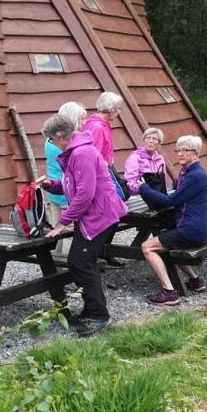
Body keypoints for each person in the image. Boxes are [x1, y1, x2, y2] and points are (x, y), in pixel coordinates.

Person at [37, 114, 128, 337]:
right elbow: (72, 187)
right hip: (92, 215)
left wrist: (63, 222)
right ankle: (91, 311)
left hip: (100, 215)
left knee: (81, 263)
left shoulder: (83, 153)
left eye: (50, 139)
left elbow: (85, 193)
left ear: (60, 137)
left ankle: (99, 315)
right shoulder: (75, 152)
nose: (50, 143)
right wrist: (51, 185)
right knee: (80, 262)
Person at [139, 135, 207, 305]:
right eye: (178, 150)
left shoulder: (196, 175)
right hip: (198, 227)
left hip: (192, 230)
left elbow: (171, 201)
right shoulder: (188, 172)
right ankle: (195, 280)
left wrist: (144, 188)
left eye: (184, 150)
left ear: (195, 153)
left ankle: (169, 292)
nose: (180, 153)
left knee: (147, 247)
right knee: (166, 240)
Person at [80, 91, 126, 265]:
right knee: (114, 209)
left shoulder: (101, 123)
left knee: (117, 208)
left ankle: (103, 249)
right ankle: (99, 250)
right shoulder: (97, 127)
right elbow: (94, 157)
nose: (119, 112)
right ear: (111, 109)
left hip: (107, 170)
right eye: (118, 109)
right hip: (101, 175)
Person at [44, 102, 88, 258]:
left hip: (53, 188)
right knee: (68, 231)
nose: (85, 122)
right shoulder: (66, 144)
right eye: (82, 119)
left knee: (56, 227)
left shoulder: (50, 140)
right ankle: (66, 264)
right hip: (64, 191)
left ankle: (55, 261)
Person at [124, 127, 168, 195]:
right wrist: (144, 189)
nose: (150, 141)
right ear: (144, 140)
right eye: (147, 138)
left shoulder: (160, 159)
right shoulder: (135, 158)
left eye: (154, 139)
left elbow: (163, 181)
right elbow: (130, 182)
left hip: (158, 195)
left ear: (159, 142)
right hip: (139, 196)